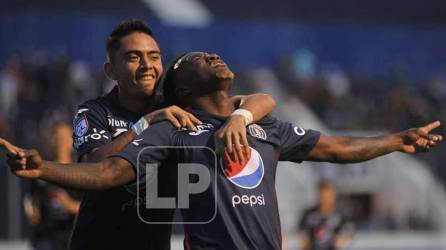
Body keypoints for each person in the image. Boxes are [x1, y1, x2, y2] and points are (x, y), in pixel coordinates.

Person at [2, 51, 443, 250]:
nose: (212, 55)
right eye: (199, 57)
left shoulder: (264, 125)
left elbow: (337, 147)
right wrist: (45, 169)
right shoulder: (174, 129)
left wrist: (396, 141)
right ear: (185, 86)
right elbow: (109, 174)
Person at [69, 19, 276, 250]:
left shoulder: (175, 106)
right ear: (111, 70)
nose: (147, 65)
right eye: (133, 57)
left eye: (154, 56)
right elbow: (93, 166)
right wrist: (145, 123)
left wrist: (241, 117)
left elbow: (261, 100)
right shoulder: (95, 111)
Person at [24, 123, 81, 250]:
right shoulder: (42, 170)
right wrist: (32, 213)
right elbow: (31, 199)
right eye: (57, 137)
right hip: (47, 237)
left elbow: (91, 206)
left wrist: (70, 205)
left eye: (65, 137)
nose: (60, 141)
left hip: (72, 235)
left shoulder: (82, 172)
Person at [299, 181, 353, 250]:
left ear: (334, 196)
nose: (325, 199)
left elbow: (347, 235)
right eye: (323, 196)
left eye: (328, 196)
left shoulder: (341, 216)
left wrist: (343, 240)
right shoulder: (308, 215)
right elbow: (303, 237)